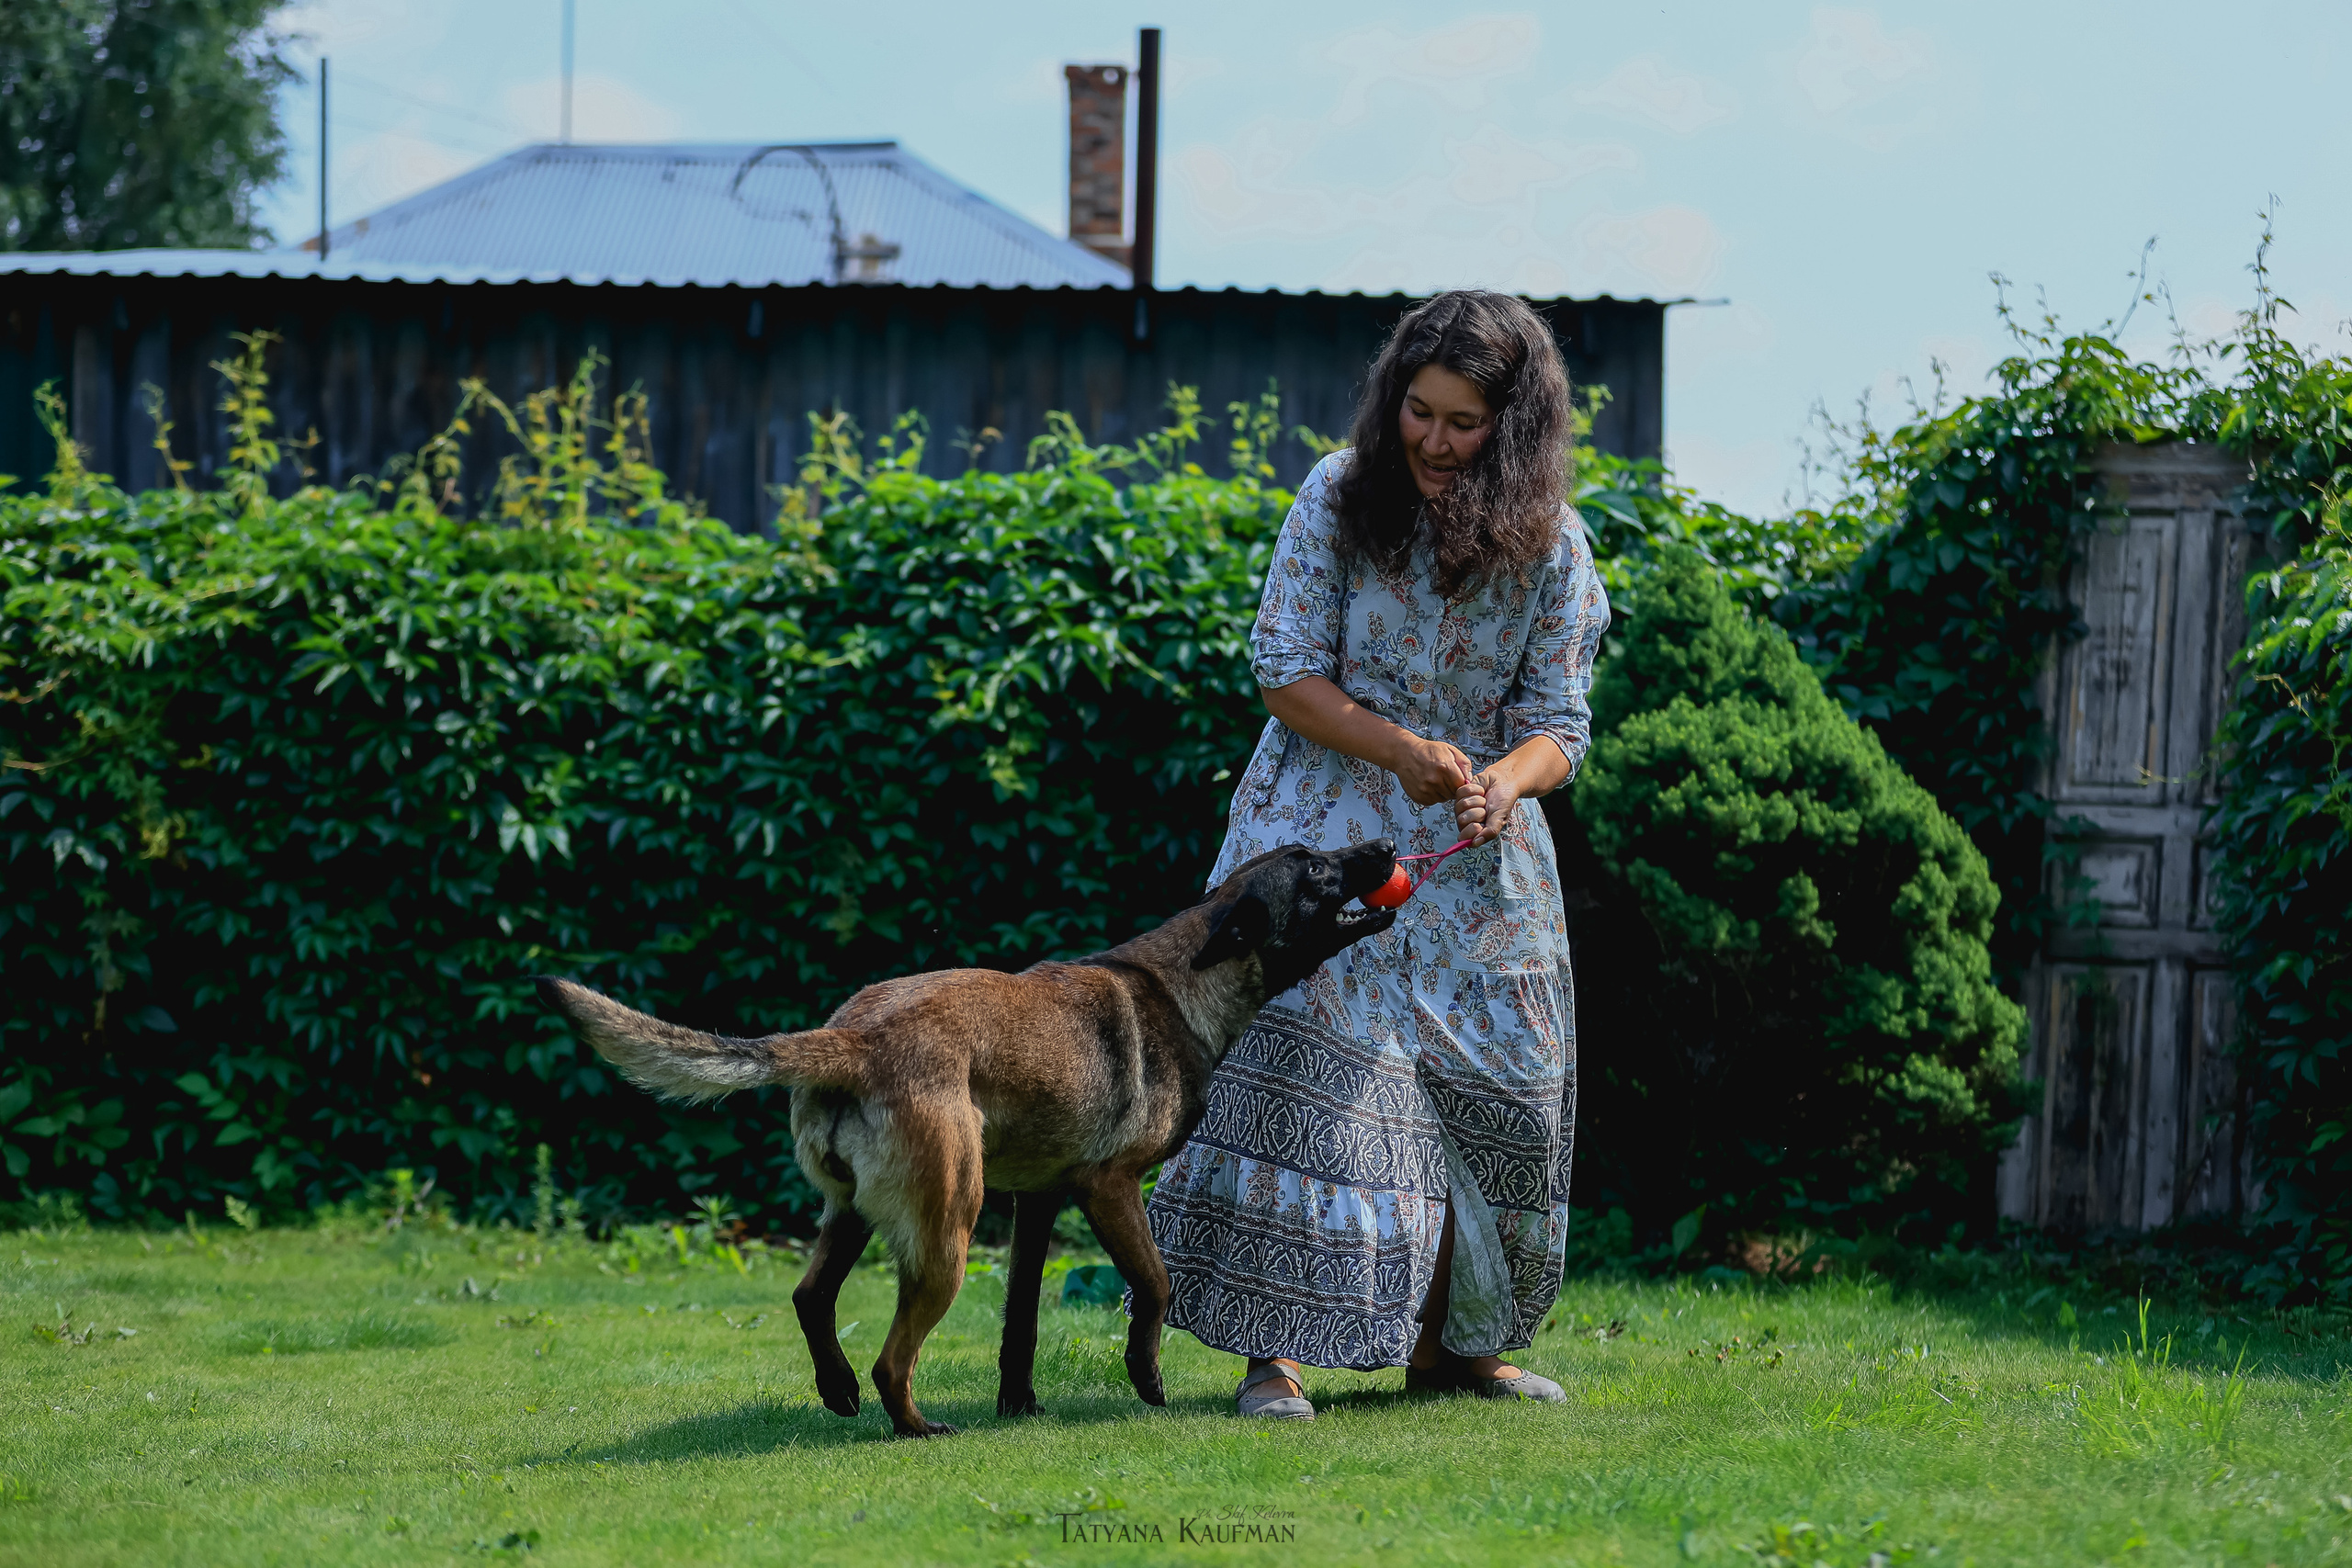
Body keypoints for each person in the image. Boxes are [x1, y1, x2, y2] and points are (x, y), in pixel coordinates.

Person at [1145, 289, 1610, 1418]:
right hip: (1320, 835)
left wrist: (1508, 778)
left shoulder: (1553, 540)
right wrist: (1401, 751)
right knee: (1315, 1072)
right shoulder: (1336, 496)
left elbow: (1562, 720)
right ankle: (1276, 1357)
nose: (1436, 441)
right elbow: (1284, 670)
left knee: (1499, 1086)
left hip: (1476, 855)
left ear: (1515, 429)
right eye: (1420, 411)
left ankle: (1453, 1352)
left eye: (1464, 423)